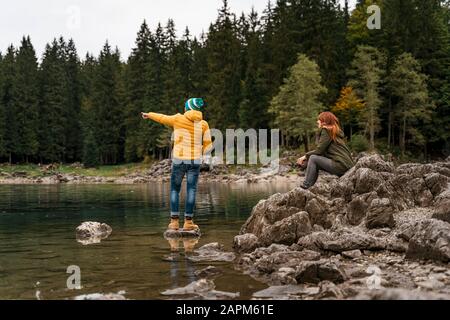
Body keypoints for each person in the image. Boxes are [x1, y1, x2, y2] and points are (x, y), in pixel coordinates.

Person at [142, 98, 212, 231]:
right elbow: (208, 144)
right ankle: (188, 223)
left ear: (187, 108)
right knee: (191, 190)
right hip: (195, 161)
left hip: (179, 160)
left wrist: (149, 114)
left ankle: (174, 223)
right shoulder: (204, 124)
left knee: (175, 190)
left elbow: (162, 118)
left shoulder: (178, 118)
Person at [297, 112, 354, 189]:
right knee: (314, 159)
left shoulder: (326, 131)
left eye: (319, 119)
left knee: (313, 158)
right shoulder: (333, 131)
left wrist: (304, 156)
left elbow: (319, 150)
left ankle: (306, 185)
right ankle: (309, 187)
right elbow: (323, 153)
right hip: (347, 165)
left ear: (324, 121)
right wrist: (306, 163)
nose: (317, 121)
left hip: (340, 165)